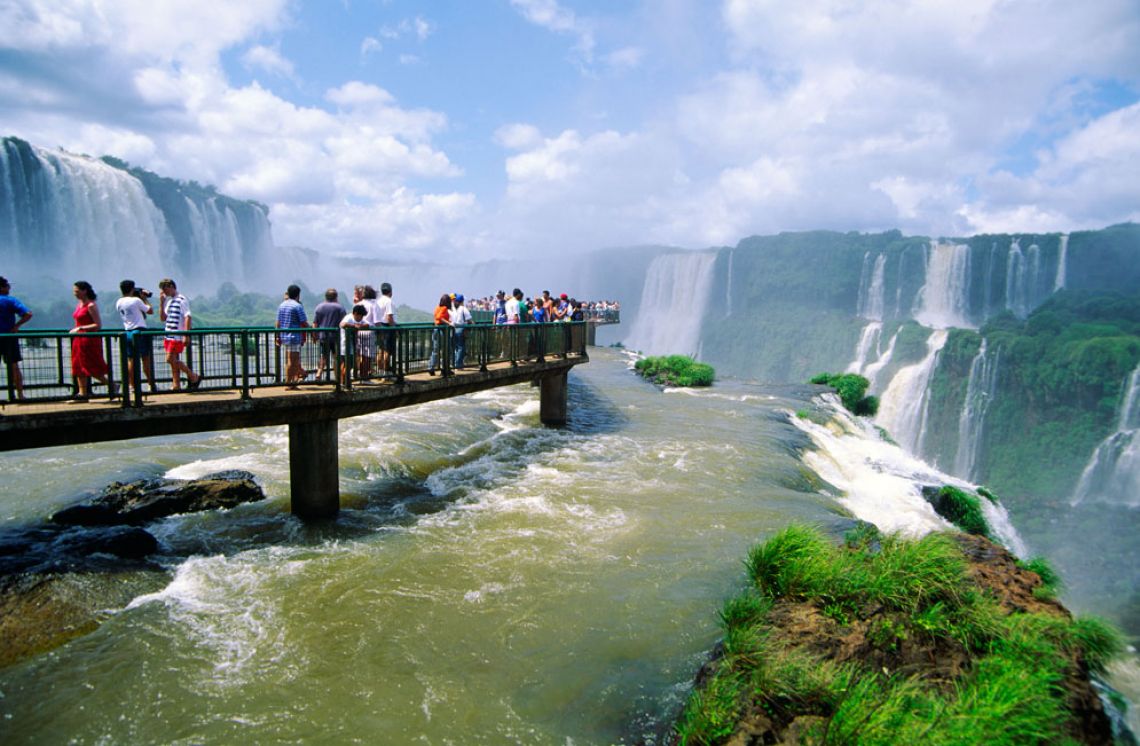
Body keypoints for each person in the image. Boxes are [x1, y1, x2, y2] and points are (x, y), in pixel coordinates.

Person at [69, 281, 115, 402]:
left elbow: (98, 325)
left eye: (77, 291)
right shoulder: (79, 304)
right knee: (78, 365)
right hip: (78, 339)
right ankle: (82, 393)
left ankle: (112, 385)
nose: (75, 294)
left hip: (89, 339)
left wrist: (81, 328)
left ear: (85, 291)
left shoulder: (91, 305)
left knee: (90, 366)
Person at [159, 277, 202, 392]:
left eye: (165, 288)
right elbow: (163, 318)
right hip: (168, 335)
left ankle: (193, 376)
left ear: (172, 287)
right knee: (173, 361)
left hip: (177, 336)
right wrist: (161, 303)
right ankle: (176, 385)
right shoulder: (169, 301)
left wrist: (186, 334)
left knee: (169, 359)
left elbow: (188, 316)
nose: (164, 291)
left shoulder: (182, 299)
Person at [115, 279, 157, 396]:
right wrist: (144, 298)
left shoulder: (118, 302)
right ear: (132, 289)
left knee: (131, 360)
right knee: (145, 359)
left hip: (127, 332)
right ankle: (151, 384)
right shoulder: (136, 300)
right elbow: (150, 311)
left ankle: (131, 386)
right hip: (140, 332)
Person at [0, 276, 33, 400]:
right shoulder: (10, 300)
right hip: (9, 337)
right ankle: (20, 395)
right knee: (14, 366)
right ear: (2, 288)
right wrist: (17, 326)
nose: (9, 288)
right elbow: (28, 314)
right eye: (7, 285)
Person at [275, 284, 310, 389]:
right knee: (293, 361)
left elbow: (278, 322)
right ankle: (290, 384)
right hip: (294, 337)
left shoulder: (282, 305)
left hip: (284, 336)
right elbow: (303, 322)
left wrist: (278, 336)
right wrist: (312, 329)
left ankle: (291, 383)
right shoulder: (297, 306)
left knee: (291, 360)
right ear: (298, 295)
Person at [312, 288, 347, 381]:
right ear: (336, 297)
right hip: (336, 337)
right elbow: (345, 322)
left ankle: (319, 373)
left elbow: (315, 323)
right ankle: (338, 378)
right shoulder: (340, 307)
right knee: (337, 358)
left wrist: (314, 335)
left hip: (323, 336)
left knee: (324, 356)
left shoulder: (319, 307)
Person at [338, 303, 368, 384]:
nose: (361, 318)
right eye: (361, 316)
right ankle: (344, 382)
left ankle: (343, 382)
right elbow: (342, 324)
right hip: (345, 345)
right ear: (355, 313)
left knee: (346, 364)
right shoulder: (349, 318)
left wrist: (360, 326)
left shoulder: (357, 319)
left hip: (349, 346)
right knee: (348, 364)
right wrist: (354, 326)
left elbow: (367, 324)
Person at [375, 281, 397, 375]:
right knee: (387, 350)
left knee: (381, 349)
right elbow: (389, 317)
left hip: (379, 326)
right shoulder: (389, 301)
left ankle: (380, 371)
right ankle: (386, 371)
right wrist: (394, 328)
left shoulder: (378, 301)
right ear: (390, 291)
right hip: (387, 327)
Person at [428, 293, 450, 376]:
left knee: (435, 350)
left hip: (436, 328)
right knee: (445, 349)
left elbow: (436, 317)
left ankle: (431, 367)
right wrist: (449, 323)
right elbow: (440, 318)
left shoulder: (437, 307)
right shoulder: (444, 308)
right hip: (441, 329)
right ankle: (444, 369)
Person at [451, 293, 472, 369]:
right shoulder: (463, 309)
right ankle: (458, 364)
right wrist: (473, 324)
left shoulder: (453, 309)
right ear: (462, 301)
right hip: (461, 329)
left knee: (455, 347)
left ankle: (453, 363)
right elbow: (469, 320)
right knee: (461, 347)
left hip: (453, 329)